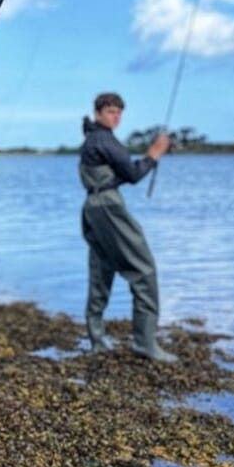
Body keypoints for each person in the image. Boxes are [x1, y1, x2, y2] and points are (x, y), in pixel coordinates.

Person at [79, 92, 178, 362]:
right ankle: (145, 343)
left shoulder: (92, 138)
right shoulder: (103, 139)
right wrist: (155, 154)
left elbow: (113, 177)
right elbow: (133, 174)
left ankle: (97, 341)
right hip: (108, 207)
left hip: (92, 207)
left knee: (102, 268)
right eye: (110, 111)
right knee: (143, 270)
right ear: (98, 113)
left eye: (119, 112)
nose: (116, 116)